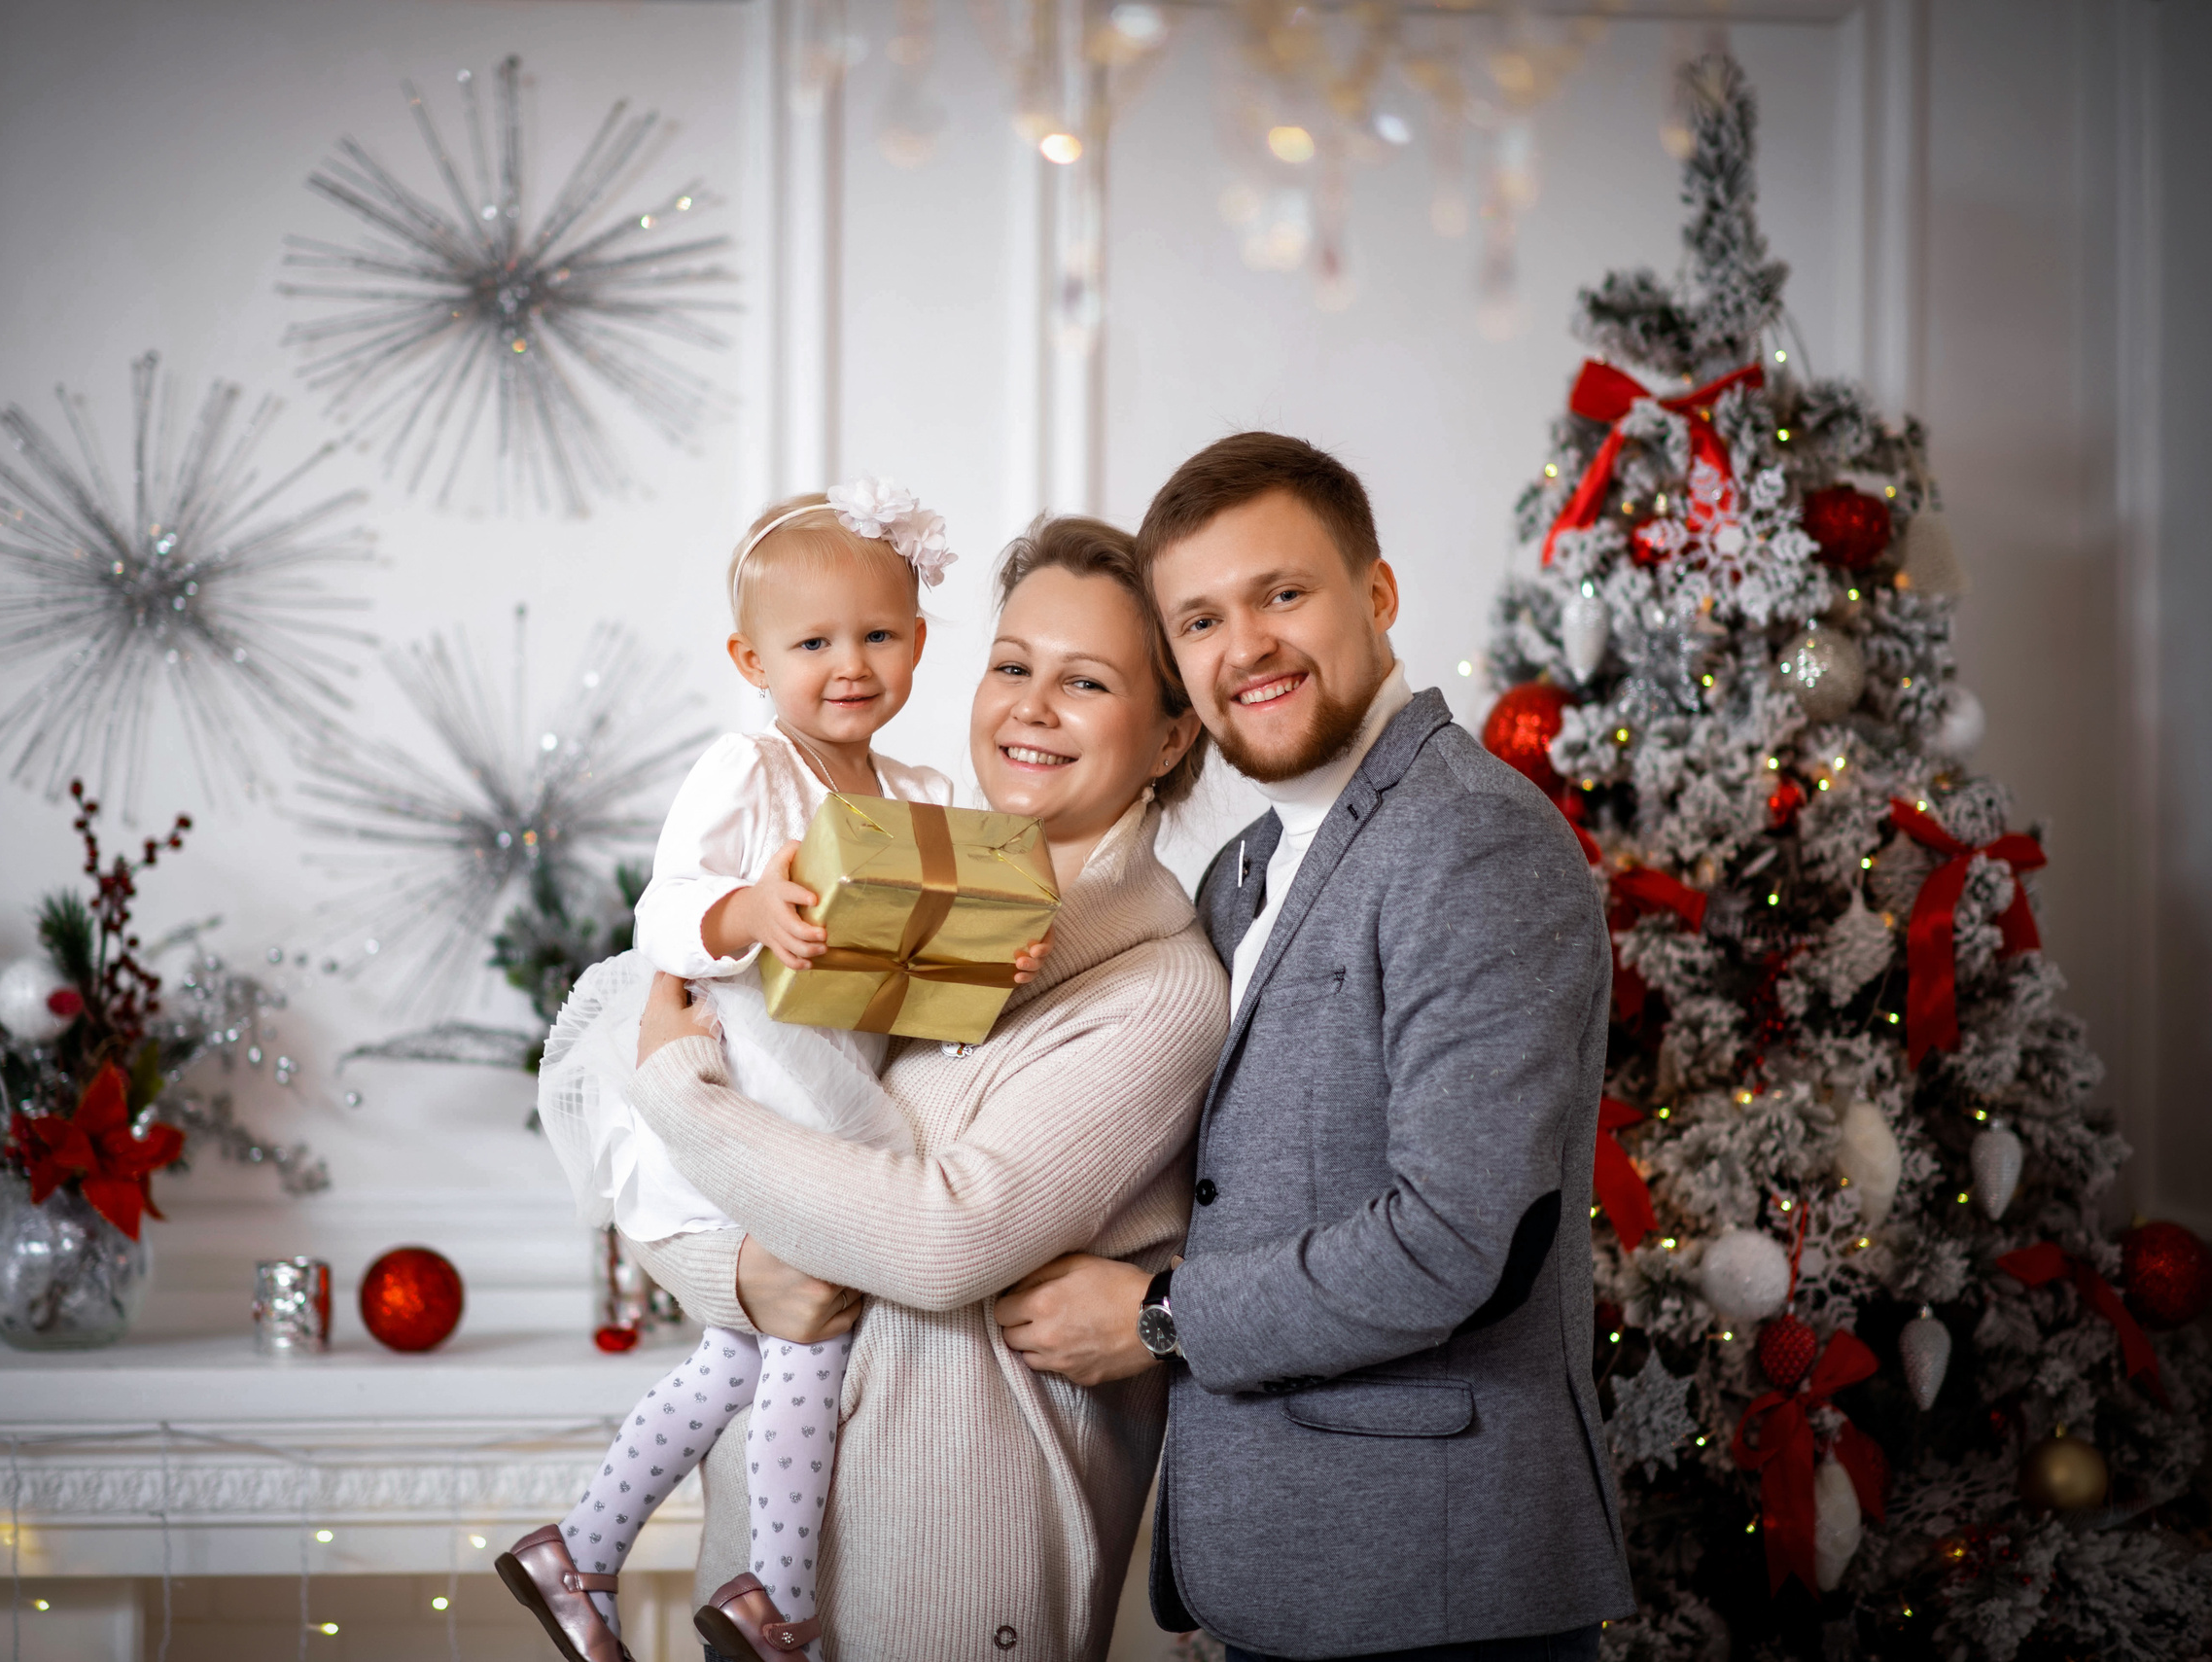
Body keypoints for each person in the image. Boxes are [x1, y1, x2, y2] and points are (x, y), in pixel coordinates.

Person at [996, 434, 1635, 1662]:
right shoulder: (1241, 874)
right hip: (1282, 1573)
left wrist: (1159, 1316)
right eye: (1199, 620)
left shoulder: (1472, 842)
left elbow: (1464, 1239)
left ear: (1376, 595)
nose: (1246, 646)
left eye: (1281, 593)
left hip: (1433, 1582)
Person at [624, 515, 1230, 1662]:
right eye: (1011, 665)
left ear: (1167, 736)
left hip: (954, 1572)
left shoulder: (1159, 989)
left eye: (1085, 680)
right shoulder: (891, 881)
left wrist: (676, 1090)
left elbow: (945, 1235)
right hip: (762, 1569)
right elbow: (739, 1168)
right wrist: (739, 1272)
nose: (1028, 707)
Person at [503, 480, 1047, 1662]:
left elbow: (921, 968)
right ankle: (779, 1600)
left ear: (915, 642)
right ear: (753, 655)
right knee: (812, 1332)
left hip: (837, 1080)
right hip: (753, 1082)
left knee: (735, 1353)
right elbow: (664, 913)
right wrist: (748, 904)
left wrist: (995, 951)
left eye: (880, 636)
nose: (849, 665)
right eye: (813, 642)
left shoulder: (917, 794)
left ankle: (579, 1549)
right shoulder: (748, 768)